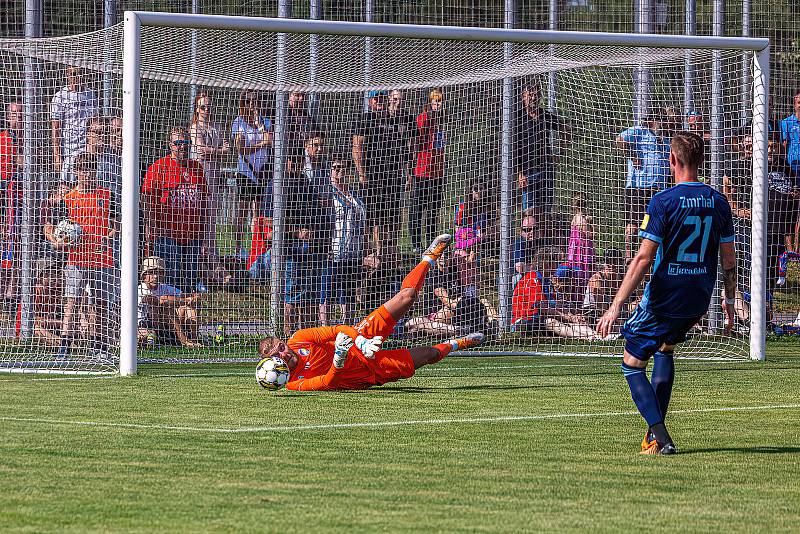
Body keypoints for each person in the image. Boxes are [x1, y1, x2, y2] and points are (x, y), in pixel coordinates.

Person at [597, 131, 737, 456]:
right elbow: (729, 260)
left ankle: (662, 438)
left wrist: (615, 305)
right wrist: (729, 302)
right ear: (701, 162)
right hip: (698, 298)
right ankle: (652, 438)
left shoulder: (663, 201)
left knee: (631, 363)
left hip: (665, 296)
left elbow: (644, 257)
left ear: (672, 160)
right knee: (665, 348)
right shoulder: (719, 201)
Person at [257, 233, 485, 391]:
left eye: (281, 347)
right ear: (274, 364)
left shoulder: (298, 338)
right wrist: (339, 358)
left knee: (406, 297)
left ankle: (428, 258)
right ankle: (459, 343)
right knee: (429, 355)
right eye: (277, 357)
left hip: (360, 339)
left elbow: (337, 329)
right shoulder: (293, 383)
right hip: (369, 373)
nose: (284, 353)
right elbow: (328, 382)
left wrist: (360, 342)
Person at [55, 152, 118, 360]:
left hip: (102, 257)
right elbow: (55, 227)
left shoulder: (107, 195)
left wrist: (108, 237)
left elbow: (117, 222)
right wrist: (59, 240)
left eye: (91, 170)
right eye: (83, 170)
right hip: (77, 258)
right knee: (72, 301)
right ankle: (65, 346)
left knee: (100, 303)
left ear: (96, 171)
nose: (87, 175)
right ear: (76, 172)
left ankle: (99, 346)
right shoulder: (68, 199)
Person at [141, 126, 209, 293]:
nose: (182, 146)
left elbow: (204, 200)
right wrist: (152, 225)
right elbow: (146, 197)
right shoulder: (159, 167)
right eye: (178, 143)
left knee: (190, 280)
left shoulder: (196, 168)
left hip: (192, 234)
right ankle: (166, 316)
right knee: (169, 280)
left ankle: (186, 315)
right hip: (167, 234)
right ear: (170, 145)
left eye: (186, 142)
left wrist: (205, 231)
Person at [352, 89, 414, 263]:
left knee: (394, 214)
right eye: (376, 98)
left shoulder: (397, 119)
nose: (379, 101)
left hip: (394, 174)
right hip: (374, 175)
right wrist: (362, 174)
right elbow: (357, 148)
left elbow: (409, 148)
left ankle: (390, 250)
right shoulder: (367, 119)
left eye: (382, 98)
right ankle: (376, 251)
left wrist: (408, 172)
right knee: (374, 215)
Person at [512, 246, 601, 339]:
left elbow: (557, 305)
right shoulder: (532, 279)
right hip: (525, 321)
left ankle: (597, 336)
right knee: (551, 321)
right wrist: (569, 317)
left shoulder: (547, 280)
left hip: (541, 319)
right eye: (556, 263)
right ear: (546, 263)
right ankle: (583, 337)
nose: (558, 266)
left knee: (570, 321)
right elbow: (544, 308)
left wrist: (573, 316)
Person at [616, 111, 671, 260]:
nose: (664, 124)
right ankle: (628, 256)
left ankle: (647, 256)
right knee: (633, 224)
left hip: (658, 190)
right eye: (662, 121)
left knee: (651, 226)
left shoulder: (665, 140)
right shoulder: (640, 131)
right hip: (638, 188)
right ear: (653, 120)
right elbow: (620, 139)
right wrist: (633, 156)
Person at [321, 158, 366, 326]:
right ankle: (325, 328)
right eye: (335, 167)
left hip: (353, 252)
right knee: (328, 292)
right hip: (333, 251)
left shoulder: (355, 196)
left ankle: (347, 327)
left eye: (344, 168)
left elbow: (363, 224)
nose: (340, 171)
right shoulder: (327, 194)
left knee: (349, 293)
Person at [190, 91, 231, 266]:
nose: (206, 110)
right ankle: (198, 259)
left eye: (208, 107)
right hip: (200, 174)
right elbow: (201, 150)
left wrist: (216, 152)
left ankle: (212, 260)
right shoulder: (194, 127)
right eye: (203, 107)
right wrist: (219, 151)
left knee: (211, 219)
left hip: (213, 175)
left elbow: (226, 149)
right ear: (197, 109)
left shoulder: (215, 127)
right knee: (199, 216)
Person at [232, 90, 273, 259]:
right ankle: (238, 248)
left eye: (254, 101)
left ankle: (257, 248)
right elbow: (241, 148)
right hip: (246, 172)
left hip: (262, 172)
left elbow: (270, 141)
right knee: (243, 212)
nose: (252, 105)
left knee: (258, 215)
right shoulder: (239, 122)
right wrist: (262, 143)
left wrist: (259, 124)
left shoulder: (264, 121)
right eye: (248, 101)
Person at [514, 80, 563, 218]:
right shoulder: (517, 118)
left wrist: (560, 152)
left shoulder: (544, 116)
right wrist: (519, 173)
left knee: (545, 212)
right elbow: (513, 148)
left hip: (546, 169)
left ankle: (545, 238)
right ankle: (529, 238)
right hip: (527, 171)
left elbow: (565, 128)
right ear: (523, 96)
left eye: (537, 94)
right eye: (531, 95)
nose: (534, 98)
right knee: (529, 212)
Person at [409, 89, 446, 252]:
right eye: (435, 101)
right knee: (418, 208)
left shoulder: (442, 121)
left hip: (438, 172)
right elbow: (413, 143)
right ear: (430, 102)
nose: (438, 104)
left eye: (440, 101)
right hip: (422, 171)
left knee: (433, 210)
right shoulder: (423, 118)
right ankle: (417, 244)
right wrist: (410, 170)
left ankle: (431, 242)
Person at [137, 256, 201, 348]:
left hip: (167, 327)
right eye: (151, 273)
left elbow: (189, 296)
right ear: (144, 276)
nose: (155, 276)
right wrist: (185, 301)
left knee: (189, 307)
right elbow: (160, 301)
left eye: (159, 273)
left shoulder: (164, 287)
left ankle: (194, 340)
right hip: (147, 326)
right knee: (168, 309)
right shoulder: (141, 290)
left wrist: (193, 298)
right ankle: (185, 341)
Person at [50, 66, 99, 185]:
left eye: (79, 73)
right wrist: (57, 155)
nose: (76, 77)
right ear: (67, 75)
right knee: (67, 184)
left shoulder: (90, 95)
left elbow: (94, 121)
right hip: (68, 148)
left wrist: (92, 146)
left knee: (85, 182)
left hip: (86, 147)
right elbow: (55, 128)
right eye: (73, 74)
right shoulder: (60, 96)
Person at [0, 101, 23, 315]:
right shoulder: (3, 140)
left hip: (25, 200)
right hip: (7, 199)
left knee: (18, 248)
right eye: (14, 114)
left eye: (21, 114)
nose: (18, 118)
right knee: (8, 241)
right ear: (8, 117)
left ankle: (11, 295)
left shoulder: (32, 140)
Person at [581, 248, 625, 325]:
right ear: (603, 263)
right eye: (608, 261)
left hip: (614, 311)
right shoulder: (597, 279)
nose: (611, 265)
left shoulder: (621, 277)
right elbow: (601, 307)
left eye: (615, 261)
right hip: (595, 313)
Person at [780, 92, 800, 175]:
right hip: (793, 165)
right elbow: (783, 145)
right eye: (799, 103)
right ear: (794, 105)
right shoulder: (786, 122)